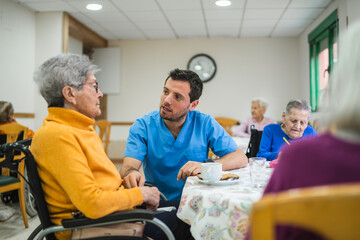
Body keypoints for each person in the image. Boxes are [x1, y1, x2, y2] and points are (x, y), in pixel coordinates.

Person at [31, 54, 193, 240]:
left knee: (193, 207)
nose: (100, 94)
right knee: (193, 222)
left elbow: (104, 185)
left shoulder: (80, 129)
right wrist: (140, 194)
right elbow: (92, 203)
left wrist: (137, 193)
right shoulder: (57, 135)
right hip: (92, 228)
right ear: (70, 94)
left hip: (115, 215)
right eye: (94, 86)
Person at [250, 21, 360, 240]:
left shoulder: (305, 151)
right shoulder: (272, 131)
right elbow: (260, 156)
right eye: (293, 120)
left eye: (303, 122)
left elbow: (263, 231)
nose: (298, 127)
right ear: (284, 117)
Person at [121, 69, 248, 200]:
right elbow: (128, 167)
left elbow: (240, 158)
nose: (166, 100)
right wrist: (131, 174)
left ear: (193, 104)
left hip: (198, 201)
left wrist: (206, 167)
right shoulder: (143, 126)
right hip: (158, 203)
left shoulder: (204, 123)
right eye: (165, 92)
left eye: (177, 97)